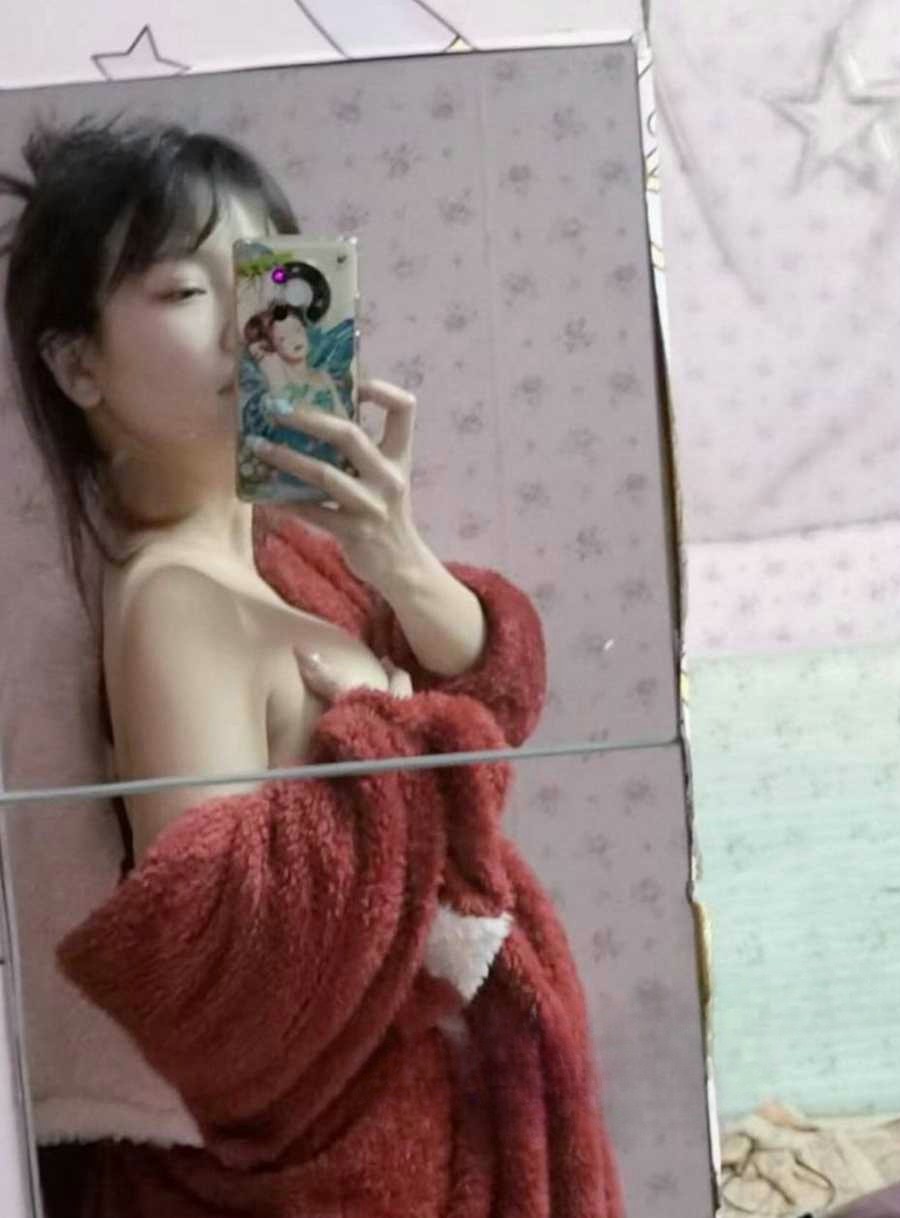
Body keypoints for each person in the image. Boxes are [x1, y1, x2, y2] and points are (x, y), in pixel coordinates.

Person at [1, 117, 622, 1217]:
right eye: (183, 291)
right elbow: (222, 980)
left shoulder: (285, 554)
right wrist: (398, 743)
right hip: (350, 1179)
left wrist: (399, 556)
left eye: (269, 276)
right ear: (77, 364)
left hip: (438, 1136)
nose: (253, 323)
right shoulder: (175, 602)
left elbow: (499, 700)